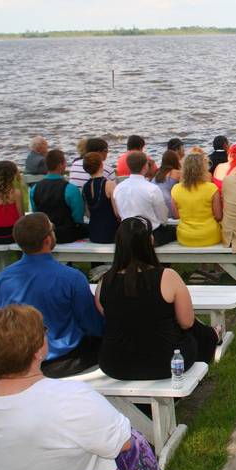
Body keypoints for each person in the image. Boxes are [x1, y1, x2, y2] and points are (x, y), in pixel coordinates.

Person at [0, 304, 161, 470]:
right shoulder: (70, 399)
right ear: (38, 350)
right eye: (43, 330)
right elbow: (124, 444)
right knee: (136, 443)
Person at [96, 217, 220, 380]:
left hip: (115, 363)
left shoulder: (104, 282)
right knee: (192, 333)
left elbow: (111, 316)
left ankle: (212, 334)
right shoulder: (167, 277)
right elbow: (187, 322)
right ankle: (213, 335)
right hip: (165, 362)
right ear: (150, 241)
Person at [0, 214, 104, 377]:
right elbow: (91, 324)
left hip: (19, 354)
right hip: (62, 358)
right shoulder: (71, 278)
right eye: (52, 229)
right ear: (47, 240)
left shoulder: (3, 278)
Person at [113, 151, 176, 247]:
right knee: (174, 231)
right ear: (145, 167)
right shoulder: (152, 189)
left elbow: (119, 213)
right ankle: (163, 262)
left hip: (127, 234)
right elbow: (163, 217)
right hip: (149, 234)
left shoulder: (118, 188)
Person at [30, 149, 88, 244]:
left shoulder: (34, 188)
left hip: (45, 234)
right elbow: (78, 218)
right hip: (65, 235)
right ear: (60, 165)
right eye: (64, 162)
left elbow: (36, 213)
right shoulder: (71, 189)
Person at [171, 153, 222, 247]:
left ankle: (206, 262)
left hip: (185, 236)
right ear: (203, 168)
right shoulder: (211, 188)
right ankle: (210, 262)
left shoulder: (175, 189)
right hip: (209, 235)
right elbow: (218, 216)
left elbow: (176, 216)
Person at [81, 152, 119, 244]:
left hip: (94, 233)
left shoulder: (85, 187)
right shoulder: (109, 184)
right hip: (111, 234)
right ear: (101, 165)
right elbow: (117, 213)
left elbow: (88, 214)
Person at [152, 150, 181, 217]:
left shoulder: (158, 172)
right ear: (175, 161)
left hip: (154, 203)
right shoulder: (177, 173)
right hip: (167, 203)